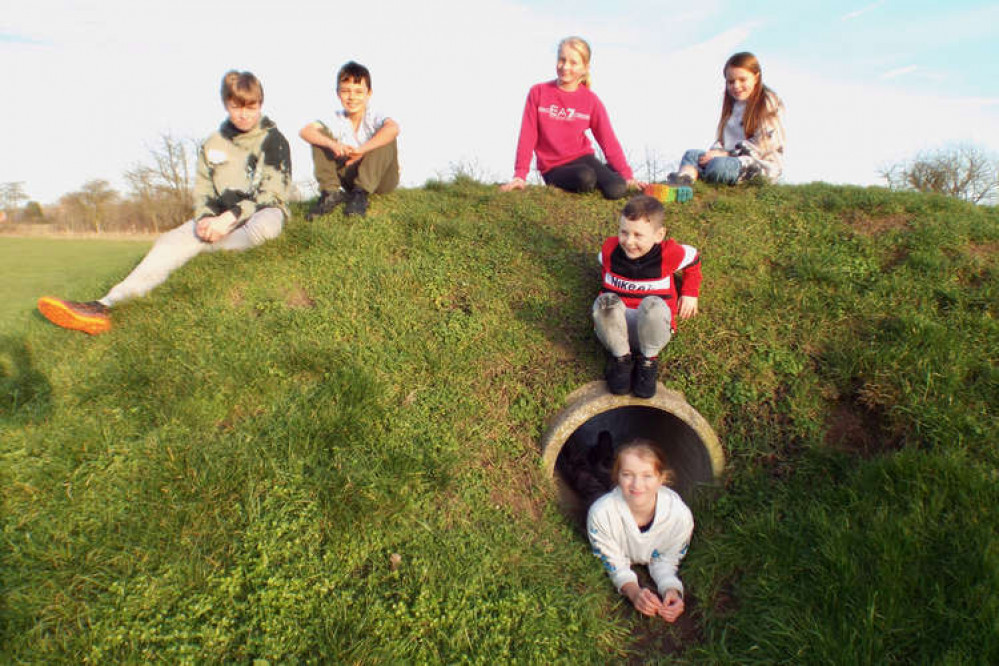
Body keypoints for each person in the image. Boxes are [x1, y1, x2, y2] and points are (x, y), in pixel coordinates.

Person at [37, 70, 291, 335]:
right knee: (170, 240)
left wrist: (230, 219)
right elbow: (204, 191)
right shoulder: (212, 144)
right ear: (226, 104)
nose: (244, 114)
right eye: (236, 106)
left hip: (263, 211)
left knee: (264, 229)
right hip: (220, 215)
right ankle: (104, 306)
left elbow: (272, 193)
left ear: (260, 104)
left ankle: (203, 254)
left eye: (252, 106)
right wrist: (205, 219)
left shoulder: (274, 139)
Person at [500, 36, 642, 199]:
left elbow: (608, 141)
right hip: (553, 167)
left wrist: (627, 175)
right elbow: (528, 135)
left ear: (584, 68)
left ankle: (607, 171)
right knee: (585, 177)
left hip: (584, 158)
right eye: (562, 60)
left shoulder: (591, 100)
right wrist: (520, 174)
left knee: (616, 189)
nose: (565, 67)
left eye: (573, 63)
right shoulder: (538, 92)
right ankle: (600, 174)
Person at [593, 195, 701, 398]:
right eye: (623, 232)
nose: (629, 241)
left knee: (653, 305)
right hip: (616, 327)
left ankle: (648, 363)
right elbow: (602, 262)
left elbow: (693, 258)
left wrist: (690, 292)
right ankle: (621, 361)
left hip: (653, 327)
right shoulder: (610, 250)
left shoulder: (669, 253)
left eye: (638, 235)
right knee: (604, 304)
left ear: (659, 235)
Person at [587, 439, 694, 623]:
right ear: (618, 476)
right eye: (627, 474)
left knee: (598, 478)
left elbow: (666, 559)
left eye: (647, 476)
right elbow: (614, 563)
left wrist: (671, 589)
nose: (637, 484)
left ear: (662, 478)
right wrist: (634, 592)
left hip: (618, 494)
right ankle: (584, 458)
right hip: (600, 498)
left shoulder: (679, 516)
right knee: (586, 483)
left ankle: (603, 455)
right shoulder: (601, 514)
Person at [666, 52, 785, 186]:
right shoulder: (731, 105)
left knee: (719, 165)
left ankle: (703, 174)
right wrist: (713, 152)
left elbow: (763, 146)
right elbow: (723, 141)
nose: (736, 86)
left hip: (758, 164)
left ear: (756, 77)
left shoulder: (767, 102)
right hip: (728, 158)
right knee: (692, 154)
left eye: (742, 80)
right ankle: (684, 180)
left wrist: (726, 154)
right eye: (731, 82)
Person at [301, 61, 400, 219]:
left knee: (386, 135)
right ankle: (330, 193)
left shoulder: (374, 115)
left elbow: (394, 128)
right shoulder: (336, 118)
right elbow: (306, 131)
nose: (352, 97)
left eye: (358, 92)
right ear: (338, 93)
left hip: (382, 178)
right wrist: (333, 144)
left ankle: (361, 195)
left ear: (369, 94)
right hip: (350, 174)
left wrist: (361, 151)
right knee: (319, 135)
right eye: (346, 91)